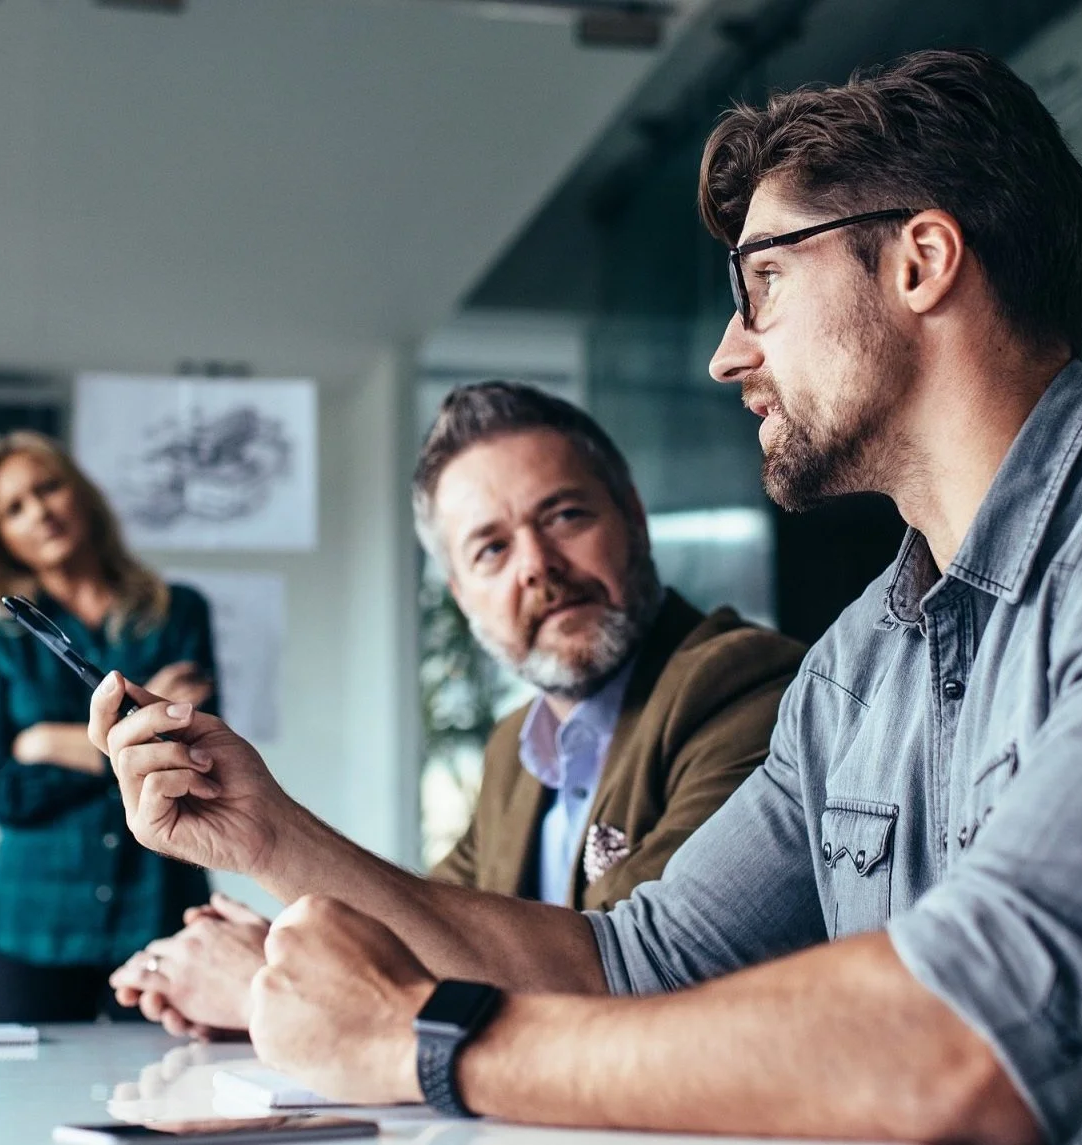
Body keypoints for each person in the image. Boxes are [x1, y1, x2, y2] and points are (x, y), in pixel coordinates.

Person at [85, 48, 1082, 1144]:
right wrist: (262, 829)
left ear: (921, 261)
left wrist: (424, 1042)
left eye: (762, 283)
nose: (729, 355)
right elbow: (631, 963)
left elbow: (972, 1040)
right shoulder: (864, 661)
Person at [107, 382, 805, 1037]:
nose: (536, 564)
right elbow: (430, 930)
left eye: (564, 515)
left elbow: (626, 982)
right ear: (461, 592)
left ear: (632, 514)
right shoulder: (516, 748)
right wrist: (288, 943)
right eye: (491, 548)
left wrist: (269, 980)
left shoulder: (743, 686)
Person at [0, 430, 219, 1023]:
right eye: (14, 508)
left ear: (81, 495)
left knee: (167, 1093)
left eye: (48, 488)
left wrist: (46, 743)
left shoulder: (178, 614)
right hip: (33, 923)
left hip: (157, 908)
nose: (40, 511)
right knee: (20, 1106)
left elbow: (192, 756)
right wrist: (129, 743)